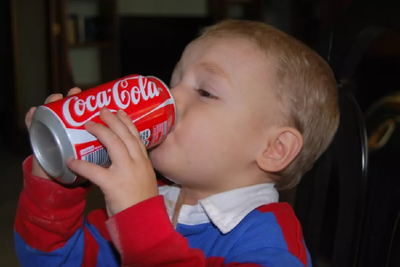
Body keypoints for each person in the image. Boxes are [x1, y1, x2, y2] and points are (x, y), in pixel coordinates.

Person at [14, 20, 339, 267]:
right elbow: (49, 259)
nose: (169, 98)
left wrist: (141, 225)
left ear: (274, 150)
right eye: (174, 81)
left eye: (205, 92)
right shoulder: (144, 200)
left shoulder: (270, 244)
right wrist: (53, 188)